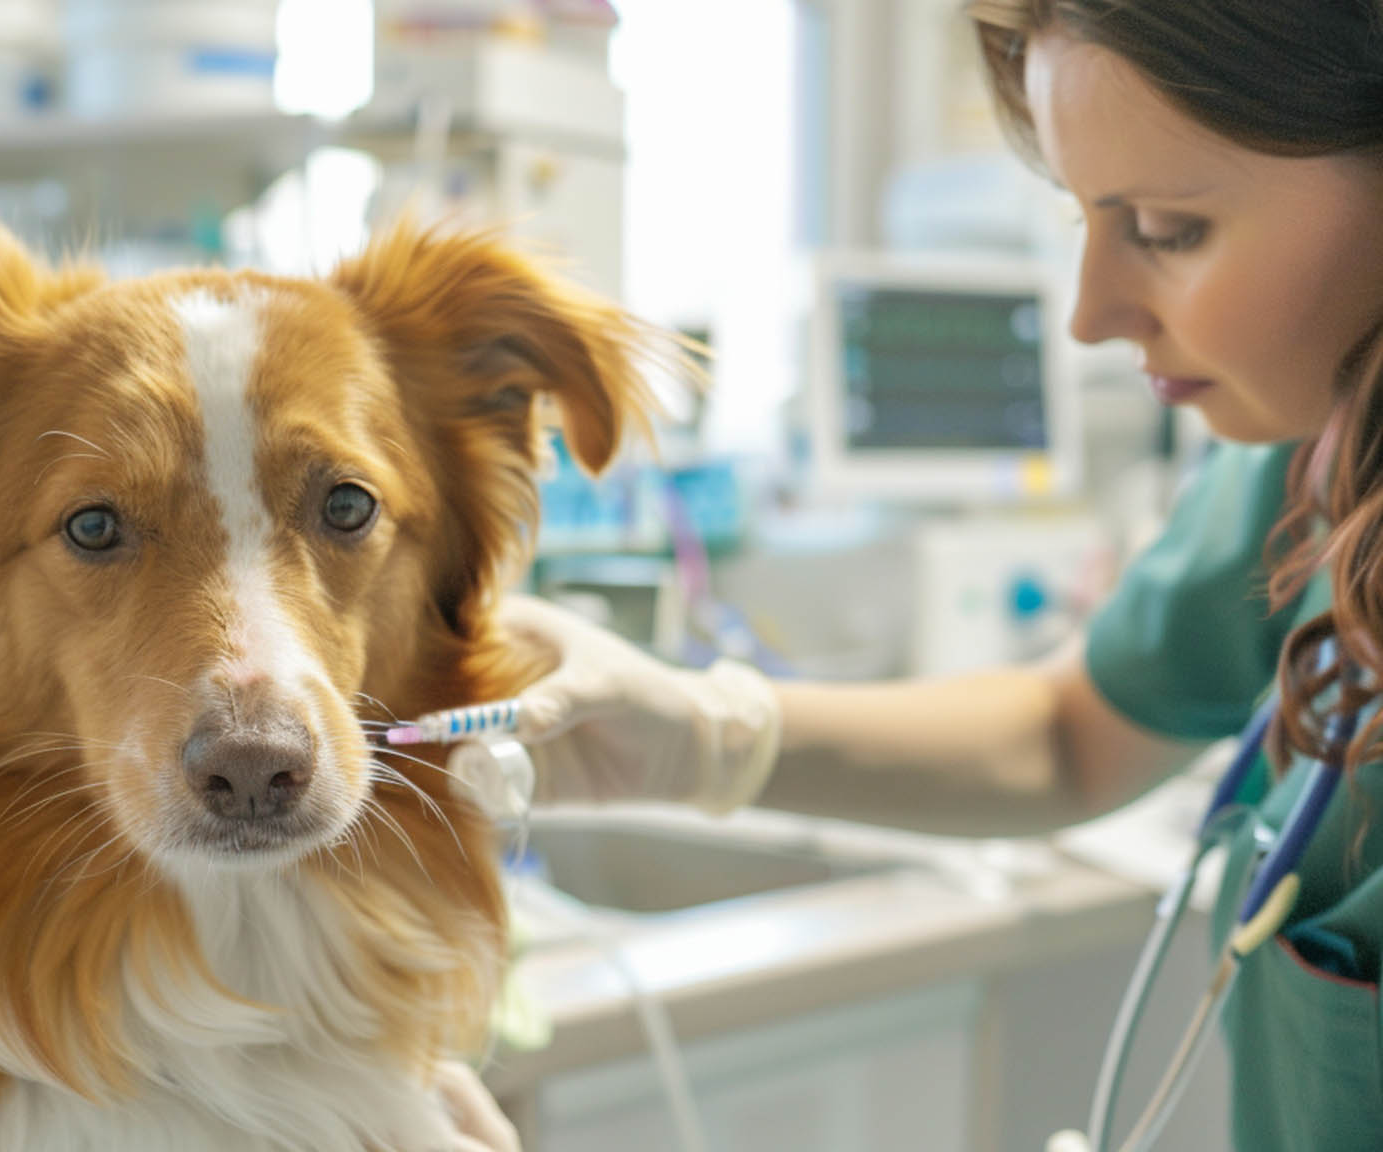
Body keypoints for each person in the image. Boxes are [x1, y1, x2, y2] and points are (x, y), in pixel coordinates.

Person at [455, 0, 1383, 1148]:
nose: (1090, 316)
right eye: (1084, 220)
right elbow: (1072, 732)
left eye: (1166, 228)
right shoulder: (1307, 463)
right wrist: (701, 732)